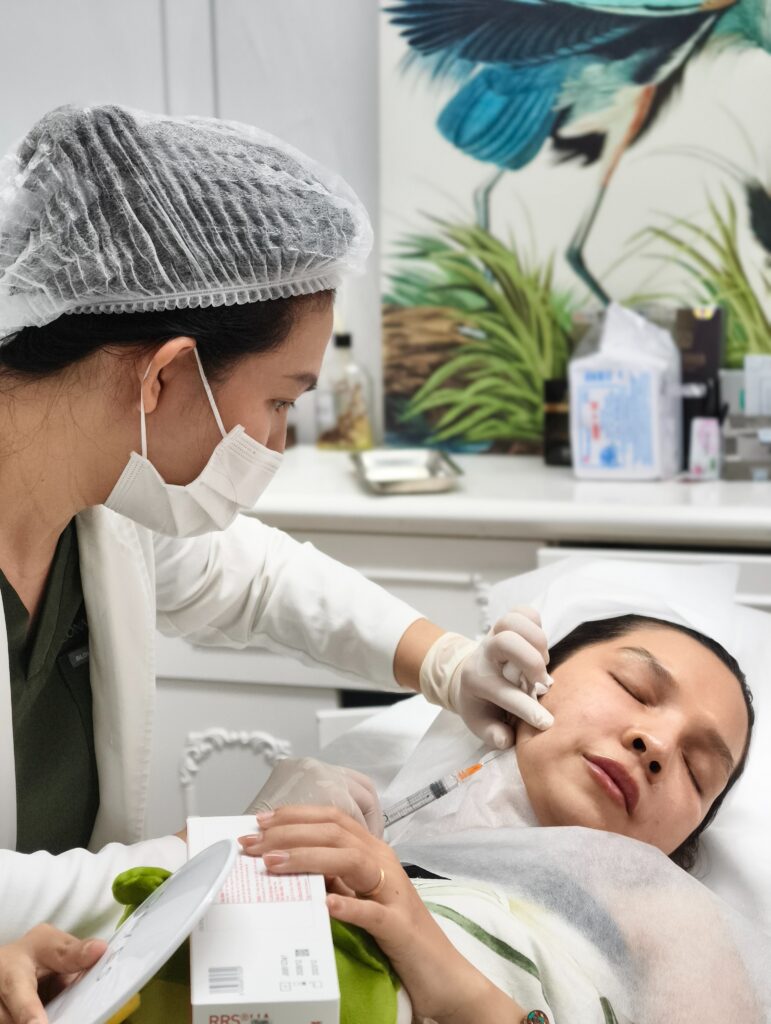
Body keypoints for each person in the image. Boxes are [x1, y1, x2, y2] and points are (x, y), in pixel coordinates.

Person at [0, 104, 557, 989]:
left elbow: (253, 578)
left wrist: (443, 660)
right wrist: (224, 853)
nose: (279, 439)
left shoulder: (96, 506)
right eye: (281, 400)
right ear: (164, 375)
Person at [2, 608, 756, 1023]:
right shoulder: (383, 815)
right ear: (538, 675)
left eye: (697, 770)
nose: (656, 743)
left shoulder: (664, 914)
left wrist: (451, 979)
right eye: (634, 688)